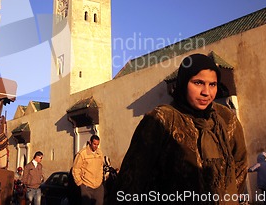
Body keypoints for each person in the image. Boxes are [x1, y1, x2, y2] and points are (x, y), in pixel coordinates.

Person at [114, 53, 247, 204]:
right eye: (198, 83)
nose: (206, 92)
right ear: (183, 83)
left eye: (212, 84)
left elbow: (240, 165)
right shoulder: (162, 119)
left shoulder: (226, 119)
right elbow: (131, 179)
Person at [72, 135, 104, 205]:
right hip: (86, 185)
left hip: (98, 185)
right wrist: (80, 183)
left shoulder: (100, 153)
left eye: (97, 145)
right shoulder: (82, 153)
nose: (96, 146)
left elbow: (101, 166)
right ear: (90, 142)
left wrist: (101, 178)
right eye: (94, 144)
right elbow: (75, 169)